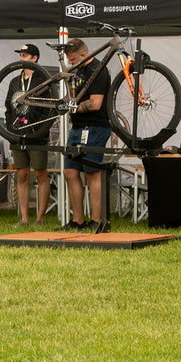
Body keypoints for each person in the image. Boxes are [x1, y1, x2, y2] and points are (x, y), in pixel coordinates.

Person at [61, 37, 111, 232]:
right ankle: (77, 221)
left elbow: (96, 103)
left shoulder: (98, 70)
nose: (71, 63)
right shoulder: (79, 70)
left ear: (84, 53)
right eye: (68, 60)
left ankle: (96, 220)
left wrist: (71, 107)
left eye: (73, 59)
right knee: (70, 172)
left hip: (96, 126)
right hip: (77, 128)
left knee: (92, 174)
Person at [4, 42, 53, 226]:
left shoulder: (43, 80)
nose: (21, 58)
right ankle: (24, 218)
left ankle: (40, 218)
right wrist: (10, 129)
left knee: (40, 174)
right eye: (20, 55)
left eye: (24, 55)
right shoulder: (14, 81)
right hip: (18, 134)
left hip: (37, 134)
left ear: (34, 58)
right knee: (22, 174)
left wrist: (42, 129)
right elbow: (8, 108)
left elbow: (50, 109)